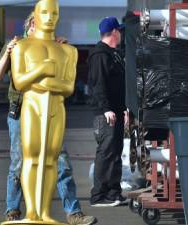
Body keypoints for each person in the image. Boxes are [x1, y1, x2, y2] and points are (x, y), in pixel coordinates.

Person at [0, 11, 96, 225]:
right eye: (34, 25)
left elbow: (66, 81)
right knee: (19, 161)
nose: (38, 29)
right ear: (29, 25)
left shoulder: (56, 47)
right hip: (21, 111)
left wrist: (63, 52)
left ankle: (73, 212)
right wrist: (7, 53)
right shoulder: (18, 45)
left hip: (49, 111)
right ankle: (13, 209)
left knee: (60, 161)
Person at [87, 17, 129, 207]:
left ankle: (113, 193)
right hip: (106, 114)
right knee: (105, 153)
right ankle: (99, 196)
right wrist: (106, 109)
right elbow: (98, 84)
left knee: (114, 153)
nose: (121, 34)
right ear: (114, 32)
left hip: (116, 111)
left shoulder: (113, 54)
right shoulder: (100, 56)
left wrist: (124, 109)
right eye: (119, 31)